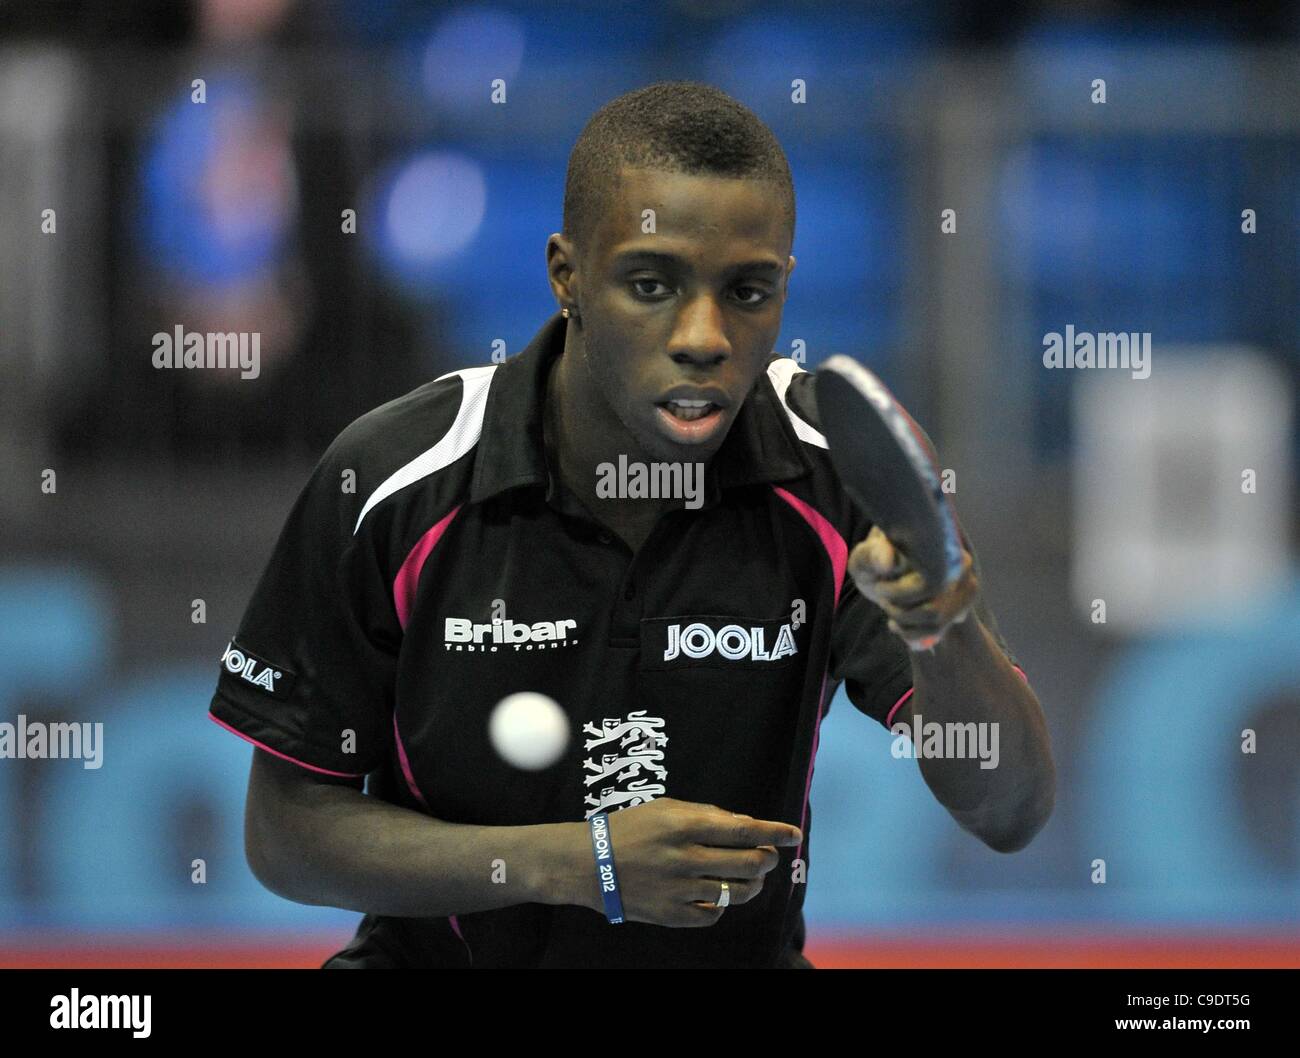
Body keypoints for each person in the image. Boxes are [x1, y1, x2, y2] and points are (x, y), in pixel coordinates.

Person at [208, 81, 1055, 969]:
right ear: (565, 274)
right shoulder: (392, 479)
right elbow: (286, 832)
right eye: (651, 284)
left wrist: (941, 624)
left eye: (748, 291)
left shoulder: (838, 476)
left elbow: (1009, 811)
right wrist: (580, 863)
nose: (704, 335)